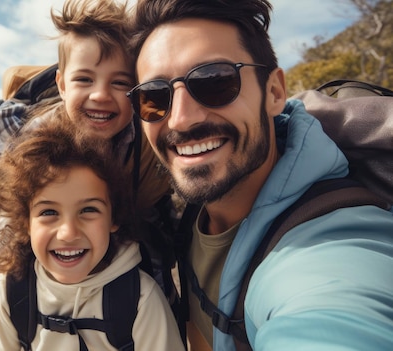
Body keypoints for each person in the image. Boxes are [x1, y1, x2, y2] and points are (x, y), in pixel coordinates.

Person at [126, 0, 393, 350]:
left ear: (274, 92)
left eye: (214, 81)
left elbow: (333, 317)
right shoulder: (197, 210)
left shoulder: (325, 255)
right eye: (154, 96)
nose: (180, 119)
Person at [0, 0, 179, 310]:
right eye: (84, 79)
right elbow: (8, 228)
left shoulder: (144, 139)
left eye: (120, 83)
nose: (100, 95)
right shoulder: (36, 144)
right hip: (54, 280)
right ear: (62, 85)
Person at [0, 116, 185, 351]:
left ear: (114, 218)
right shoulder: (12, 290)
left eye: (89, 210)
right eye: (49, 212)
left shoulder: (140, 299)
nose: (68, 233)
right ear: (26, 223)